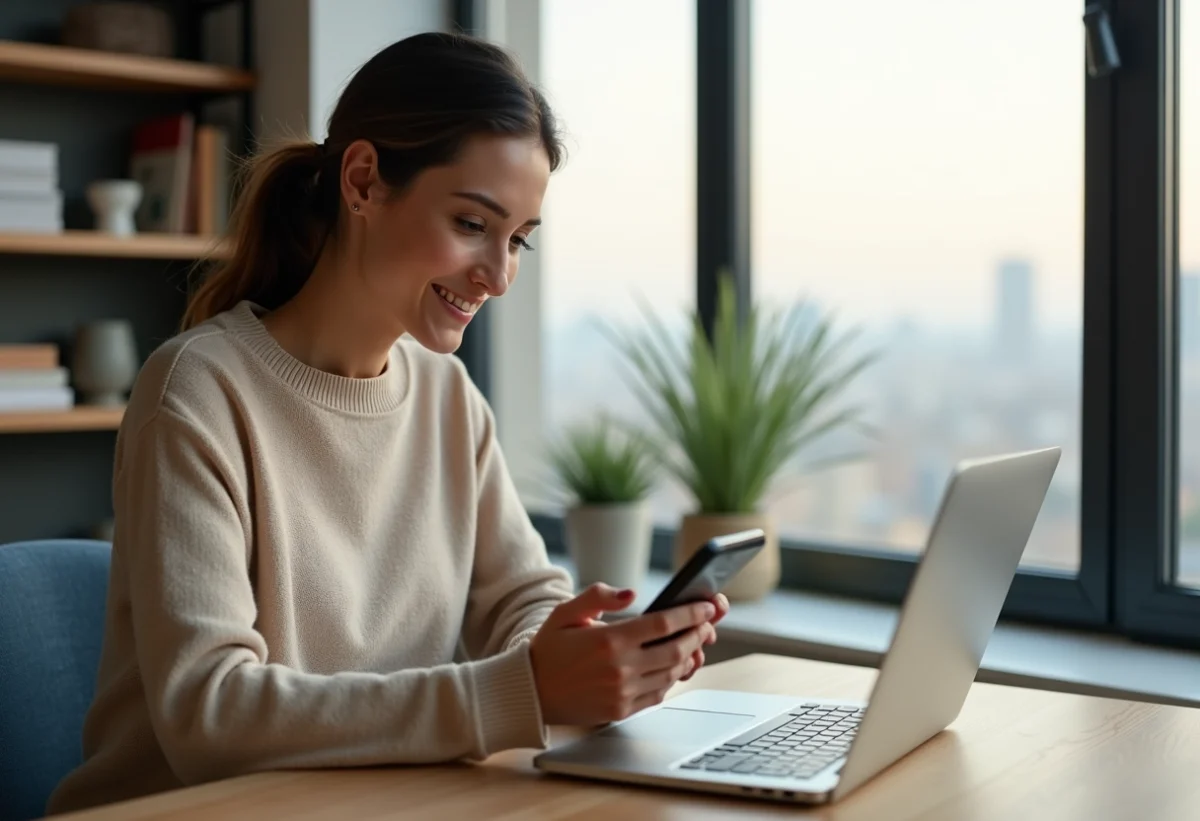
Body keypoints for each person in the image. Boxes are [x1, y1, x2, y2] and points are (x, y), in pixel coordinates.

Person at [46, 31, 729, 815]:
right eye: (473, 224)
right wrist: (519, 690)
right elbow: (213, 714)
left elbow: (520, 598)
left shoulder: (448, 398)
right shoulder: (196, 391)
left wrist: (580, 651)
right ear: (365, 180)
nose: (499, 276)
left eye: (518, 242)